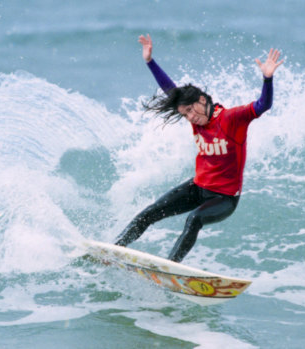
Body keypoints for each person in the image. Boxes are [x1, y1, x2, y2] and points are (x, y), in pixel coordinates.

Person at [115, 34, 283, 262]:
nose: (191, 117)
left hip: (224, 198)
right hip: (198, 187)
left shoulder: (232, 118)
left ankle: (170, 268)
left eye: (192, 111)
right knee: (151, 211)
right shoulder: (194, 118)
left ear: (203, 100)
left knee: (193, 219)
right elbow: (171, 91)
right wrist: (149, 61)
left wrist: (267, 79)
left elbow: (264, 105)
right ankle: (113, 250)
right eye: (185, 115)